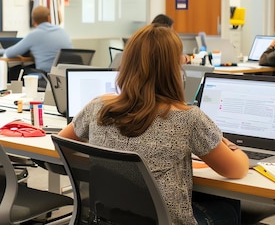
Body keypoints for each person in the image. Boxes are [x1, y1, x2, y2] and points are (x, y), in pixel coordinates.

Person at [58, 24, 249, 225]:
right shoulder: (188, 118)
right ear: (174, 70)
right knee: (229, 206)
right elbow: (236, 170)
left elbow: (63, 143)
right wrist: (230, 146)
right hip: (165, 220)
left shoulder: (98, 107)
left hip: (110, 217)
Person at [4, 6, 72, 73]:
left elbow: (9, 53)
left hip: (46, 76)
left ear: (33, 21)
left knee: (15, 71)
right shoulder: (63, 31)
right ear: (49, 18)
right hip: (65, 76)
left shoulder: (34, 35)